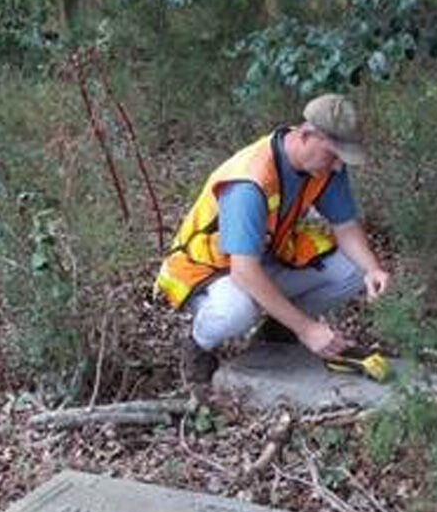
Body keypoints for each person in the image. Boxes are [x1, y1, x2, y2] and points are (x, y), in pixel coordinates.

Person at [154, 93, 391, 383]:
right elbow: (244, 272)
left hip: (265, 256)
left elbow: (345, 226)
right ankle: (198, 347)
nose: (339, 166)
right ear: (305, 135)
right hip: (212, 270)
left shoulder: (325, 167)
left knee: (354, 269)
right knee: (236, 311)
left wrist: (373, 268)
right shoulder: (249, 182)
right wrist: (308, 328)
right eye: (334, 154)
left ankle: (277, 333)